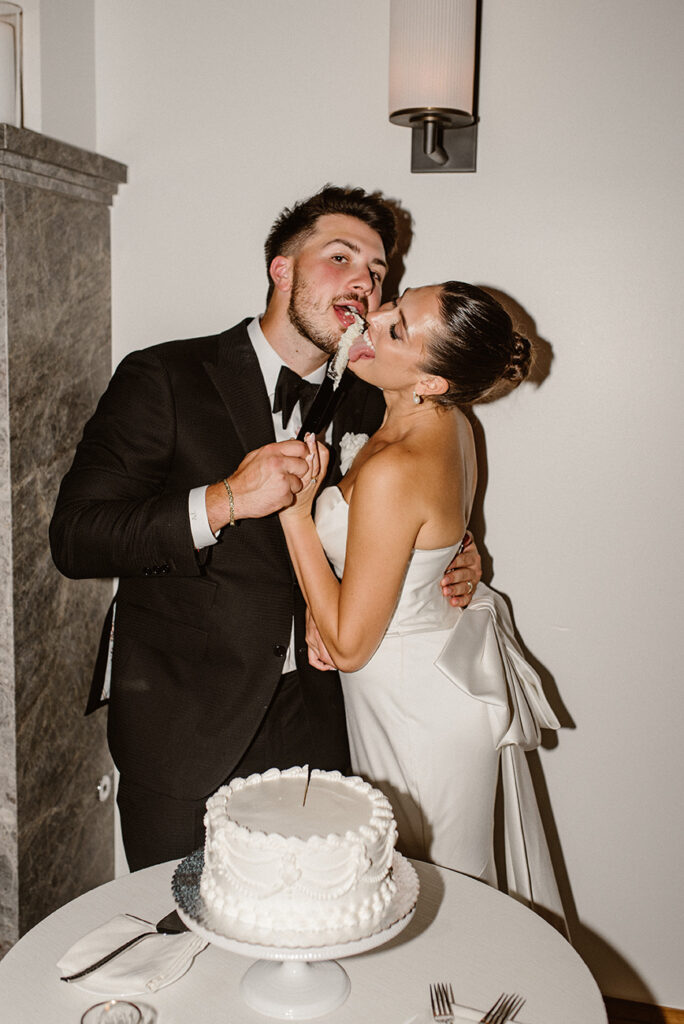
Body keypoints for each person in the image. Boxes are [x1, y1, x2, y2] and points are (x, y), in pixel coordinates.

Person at [49, 186, 482, 871]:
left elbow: (411, 513)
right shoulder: (164, 375)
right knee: (181, 938)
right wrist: (222, 501)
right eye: (340, 257)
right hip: (185, 728)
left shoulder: (382, 395)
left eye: (376, 270)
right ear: (281, 269)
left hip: (324, 723)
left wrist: (457, 555)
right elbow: (76, 538)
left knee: (313, 938)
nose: (365, 282)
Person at [279, 281, 553, 882]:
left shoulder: (397, 467)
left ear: (431, 382)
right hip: (425, 675)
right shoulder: (453, 424)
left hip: (409, 705)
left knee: (427, 889)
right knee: (426, 882)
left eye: (397, 328)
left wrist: (296, 518)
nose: (372, 319)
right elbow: (429, 546)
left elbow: (351, 647)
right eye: (393, 305)